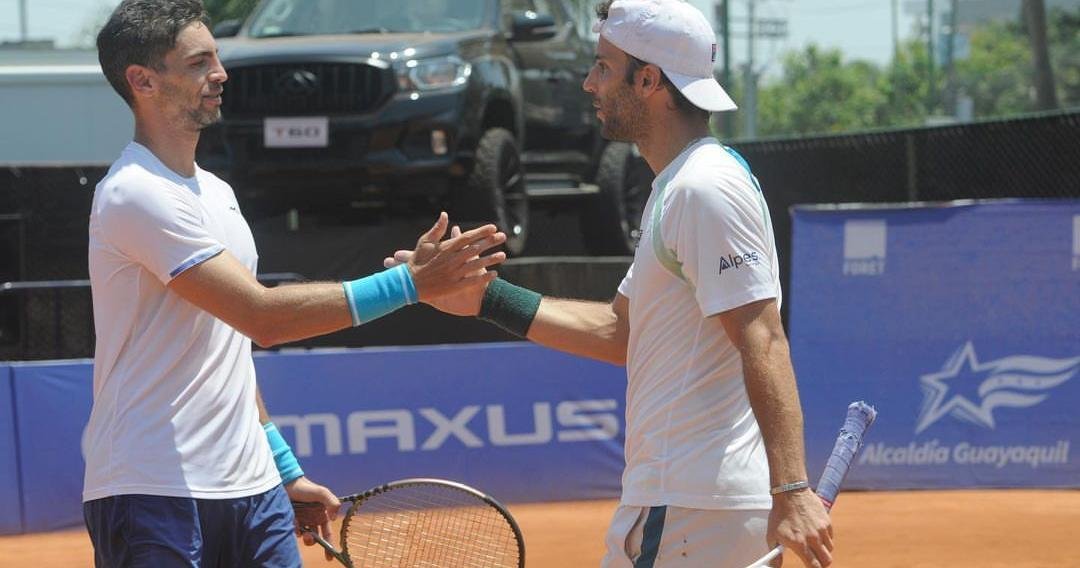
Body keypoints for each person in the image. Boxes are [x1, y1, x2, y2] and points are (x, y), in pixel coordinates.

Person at [386, 0, 833, 566]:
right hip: (685, 505)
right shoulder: (678, 188)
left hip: (693, 509)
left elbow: (763, 337)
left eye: (603, 66)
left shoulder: (704, 188)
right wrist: (484, 299)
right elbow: (618, 331)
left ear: (648, 80)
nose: (588, 82)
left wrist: (791, 490)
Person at [84, 1, 505, 566]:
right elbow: (263, 318)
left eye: (218, 57)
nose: (221, 73)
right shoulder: (134, 192)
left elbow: (232, 346)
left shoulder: (217, 193)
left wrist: (283, 468)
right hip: (155, 489)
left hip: (254, 490)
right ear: (143, 80)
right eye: (199, 61)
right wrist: (410, 284)